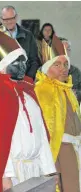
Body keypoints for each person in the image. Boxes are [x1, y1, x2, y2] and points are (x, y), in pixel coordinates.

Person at [0, 31, 56, 192]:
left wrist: (48, 169)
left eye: (24, 61)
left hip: (36, 168)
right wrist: (5, 175)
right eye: (17, 62)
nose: (23, 66)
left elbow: (41, 133)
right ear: (3, 66)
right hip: (14, 172)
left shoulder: (28, 92)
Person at [35, 35, 81, 192]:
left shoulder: (66, 89)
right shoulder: (43, 90)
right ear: (47, 68)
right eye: (57, 64)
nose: (63, 68)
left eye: (66, 64)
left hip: (73, 148)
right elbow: (45, 129)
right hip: (60, 150)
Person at [0, 5, 40, 79]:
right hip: (3, 80)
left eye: (11, 18)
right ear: (1, 20)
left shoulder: (28, 35)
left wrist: (28, 78)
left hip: (24, 80)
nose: (9, 22)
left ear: (16, 17)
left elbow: (34, 60)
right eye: (5, 19)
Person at [59, 37, 81, 104]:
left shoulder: (75, 71)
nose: (66, 52)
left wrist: (76, 94)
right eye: (63, 49)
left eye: (68, 49)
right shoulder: (45, 70)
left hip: (72, 109)